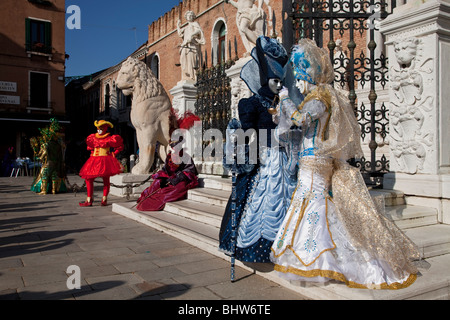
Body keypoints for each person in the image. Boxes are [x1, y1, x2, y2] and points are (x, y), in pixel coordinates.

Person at [270, 39, 421, 289]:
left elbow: (300, 119)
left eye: (300, 75)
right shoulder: (323, 96)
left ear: (310, 72)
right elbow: (304, 126)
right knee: (313, 204)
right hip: (314, 159)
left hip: (316, 161)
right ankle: (319, 259)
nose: (297, 82)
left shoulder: (321, 97)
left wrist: (284, 98)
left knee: (314, 205)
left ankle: (319, 261)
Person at [219, 36, 298, 263]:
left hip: (282, 160)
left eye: (280, 80)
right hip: (263, 162)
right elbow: (247, 132)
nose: (279, 84)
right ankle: (254, 249)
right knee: (258, 203)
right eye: (274, 79)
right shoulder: (250, 104)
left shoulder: (283, 102)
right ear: (264, 78)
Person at [135, 111, 200, 211]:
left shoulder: (186, 156)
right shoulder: (170, 156)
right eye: (173, 146)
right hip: (170, 179)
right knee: (156, 183)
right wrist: (164, 177)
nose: (174, 148)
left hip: (181, 181)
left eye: (176, 145)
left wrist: (176, 178)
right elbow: (166, 168)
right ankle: (148, 199)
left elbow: (190, 171)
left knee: (174, 189)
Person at [78, 120, 124, 207]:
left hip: (105, 160)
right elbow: (90, 146)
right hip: (94, 160)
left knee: (106, 179)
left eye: (101, 128)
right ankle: (89, 198)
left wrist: (114, 153)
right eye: (98, 128)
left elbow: (120, 146)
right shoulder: (92, 137)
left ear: (105, 129)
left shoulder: (110, 138)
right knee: (88, 178)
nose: (99, 130)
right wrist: (92, 152)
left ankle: (104, 198)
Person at [30, 118, 67, 194]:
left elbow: (42, 155)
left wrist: (37, 155)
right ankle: (54, 190)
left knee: (44, 176)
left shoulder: (46, 145)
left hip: (48, 163)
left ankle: (44, 190)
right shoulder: (58, 145)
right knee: (54, 176)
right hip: (56, 163)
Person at [177, 11, 205, 82]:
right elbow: (180, 34)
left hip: (192, 46)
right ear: (186, 18)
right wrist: (178, 25)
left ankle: (193, 76)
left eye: (191, 15)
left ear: (193, 17)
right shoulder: (186, 27)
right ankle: (186, 76)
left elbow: (199, 31)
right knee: (183, 59)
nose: (189, 17)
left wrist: (192, 35)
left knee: (191, 61)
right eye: (188, 16)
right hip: (185, 46)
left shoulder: (195, 24)